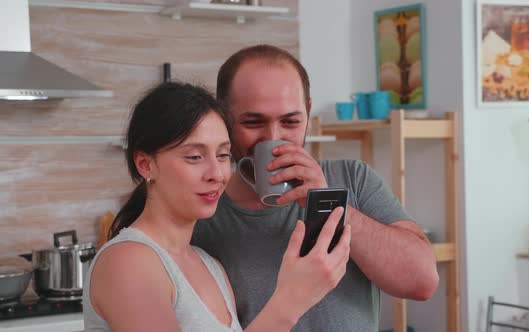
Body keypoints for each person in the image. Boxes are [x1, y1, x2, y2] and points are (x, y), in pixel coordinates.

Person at [191, 45, 439, 331]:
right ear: (224, 118)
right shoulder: (203, 210)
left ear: (308, 113)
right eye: (253, 122)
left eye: (290, 121)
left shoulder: (352, 178)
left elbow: (422, 282)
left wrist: (330, 204)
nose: (274, 138)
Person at [82, 82, 352, 332]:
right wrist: (291, 301)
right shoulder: (128, 261)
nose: (216, 173)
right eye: (195, 157)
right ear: (145, 164)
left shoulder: (211, 267)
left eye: (223, 155)